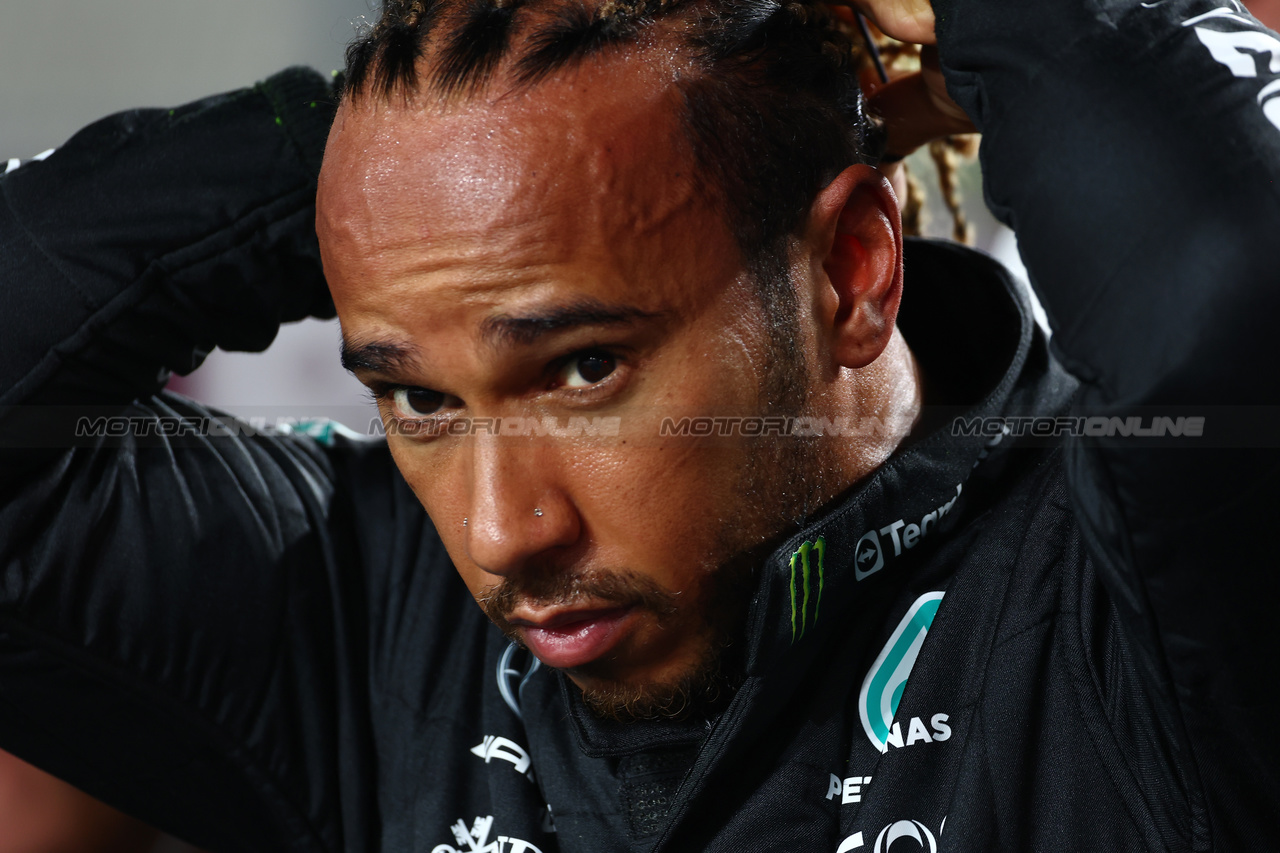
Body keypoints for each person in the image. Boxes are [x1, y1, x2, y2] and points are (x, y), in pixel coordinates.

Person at [1, 0, 1278, 851]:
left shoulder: (1134, 602)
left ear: (850, 268)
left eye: (584, 368)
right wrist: (431, 141)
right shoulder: (365, 616)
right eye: (421, 397)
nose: (505, 535)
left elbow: (1224, 296)